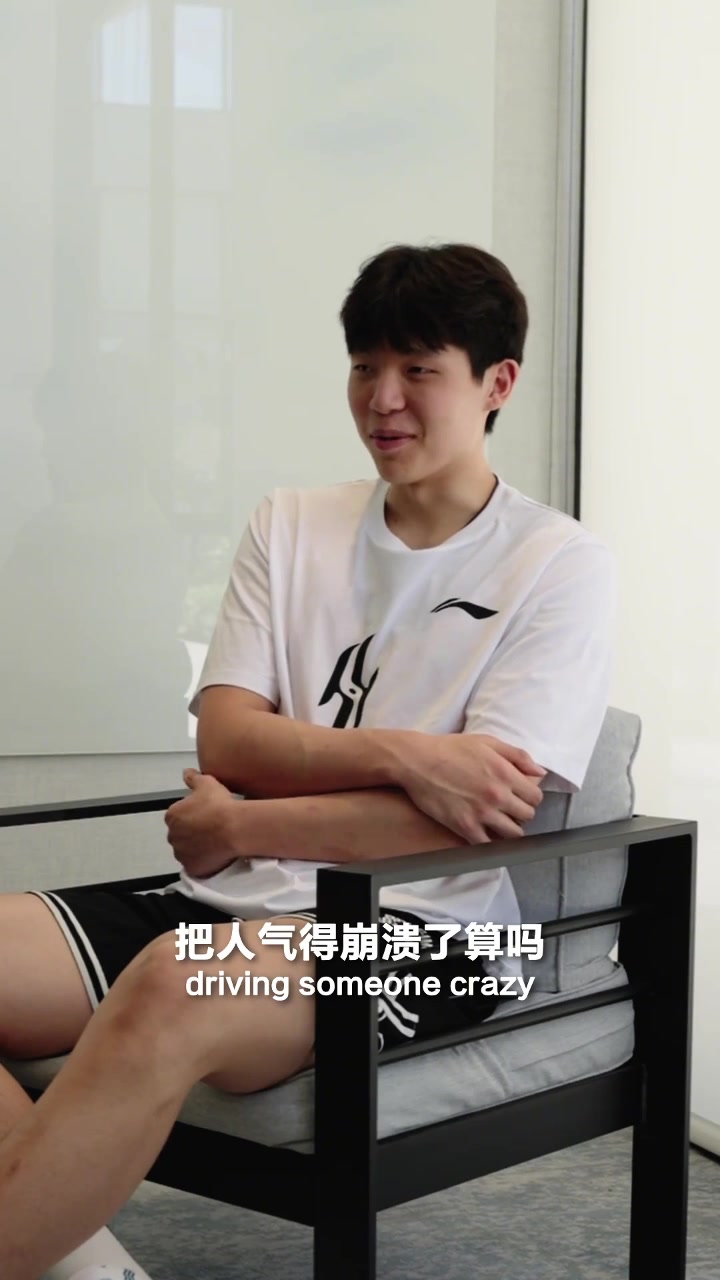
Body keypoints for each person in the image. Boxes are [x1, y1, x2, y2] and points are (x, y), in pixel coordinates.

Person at [0, 243, 615, 1280]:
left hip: (427, 930)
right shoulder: (289, 523)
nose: (383, 399)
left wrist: (245, 822)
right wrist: (409, 754)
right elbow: (228, 739)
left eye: (418, 369)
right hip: (233, 902)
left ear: (497, 382)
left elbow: (470, 820)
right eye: (365, 366)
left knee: (176, 981)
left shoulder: (558, 564)